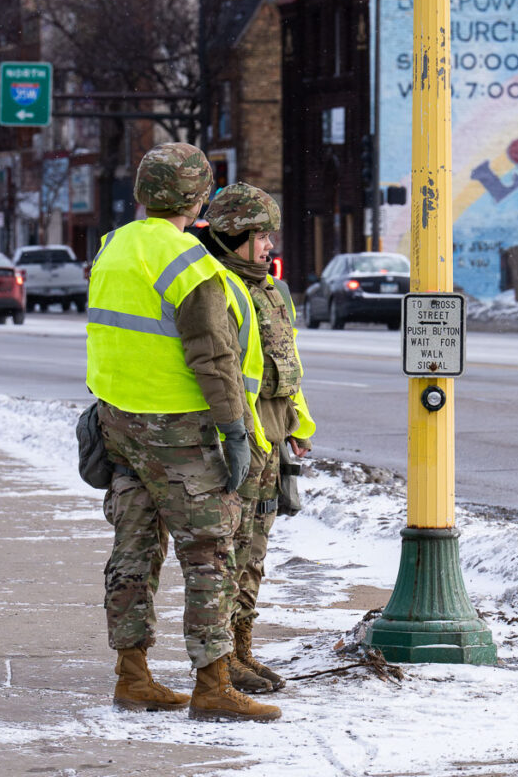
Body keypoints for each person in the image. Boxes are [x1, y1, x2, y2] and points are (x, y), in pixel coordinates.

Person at [86, 142, 280, 722]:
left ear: (144, 194)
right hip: (180, 433)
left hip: (119, 424)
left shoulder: (113, 246)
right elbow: (212, 356)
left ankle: (133, 675)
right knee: (209, 556)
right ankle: (213, 684)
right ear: (198, 200)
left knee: (133, 551)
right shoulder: (188, 261)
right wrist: (234, 429)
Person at [196, 183, 315, 694]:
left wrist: (298, 425)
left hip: (271, 437)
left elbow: (287, 365)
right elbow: (218, 368)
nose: (269, 245)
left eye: (270, 235)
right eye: (261, 235)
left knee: (256, 549)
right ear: (234, 236)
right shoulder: (217, 286)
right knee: (230, 549)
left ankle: (243, 646)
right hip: (238, 439)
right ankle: (223, 657)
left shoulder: (271, 288)